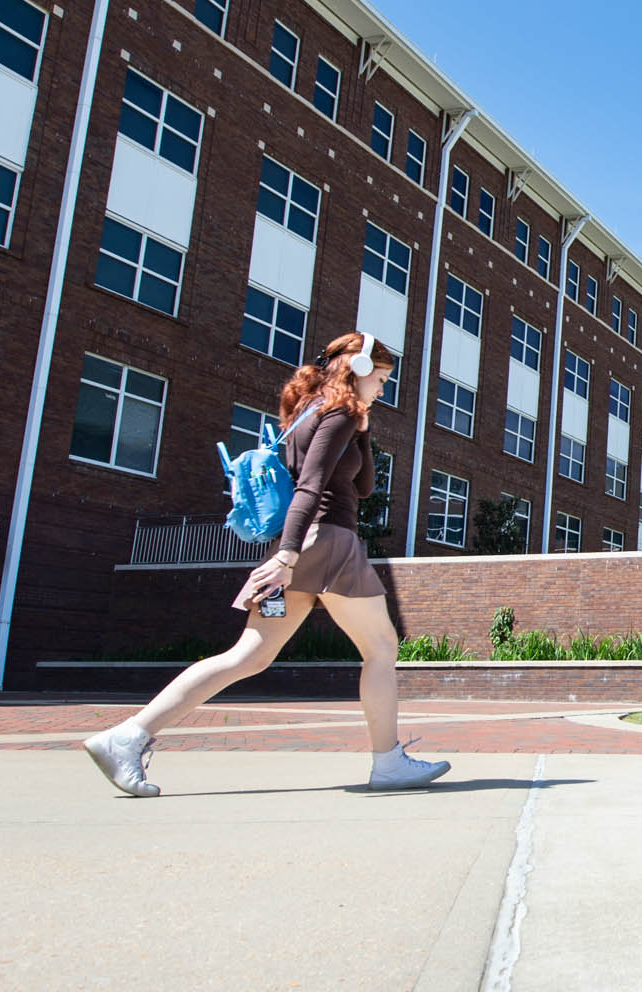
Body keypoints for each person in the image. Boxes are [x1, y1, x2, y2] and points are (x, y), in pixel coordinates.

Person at [83, 332, 451, 796]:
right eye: (379, 379)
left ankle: (127, 736)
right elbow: (313, 487)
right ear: (357, 371)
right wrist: (287, 556)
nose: (381, 388)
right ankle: (389, 763)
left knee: (249, 656)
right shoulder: (338, 413)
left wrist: (365, 428)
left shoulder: (310, 413)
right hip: (327, 544)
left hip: (301, 547)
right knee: (381, 649)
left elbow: (362, 487)